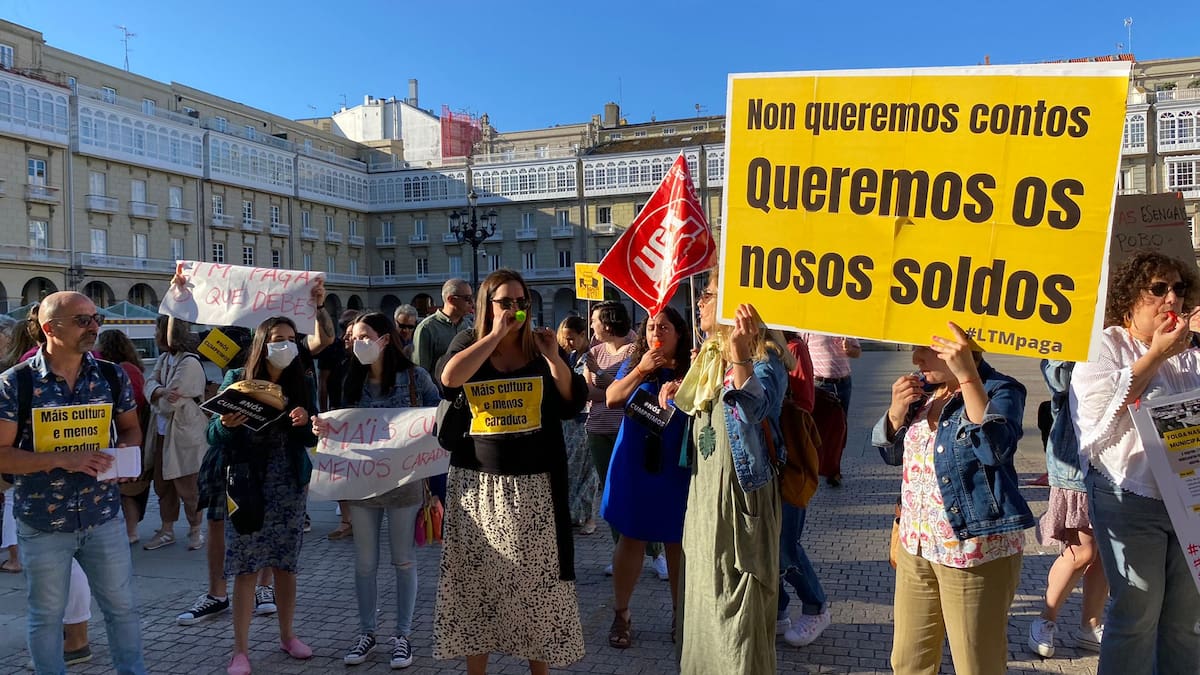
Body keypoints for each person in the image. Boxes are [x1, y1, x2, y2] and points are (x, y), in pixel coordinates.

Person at [434, 269, 587, 675]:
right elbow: (449, 379)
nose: (515, 309)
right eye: (506, 302)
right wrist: (494, 337)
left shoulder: (539, 348)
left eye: (522, 302)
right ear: (487, 305)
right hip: (478, 485)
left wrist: (555, 358)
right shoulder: (469, 341)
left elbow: (572, 401)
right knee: (477, 588)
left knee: (535, 589)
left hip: (535, 487)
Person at [872, 322, 1033, 675]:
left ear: (958, 347)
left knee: (976, 664)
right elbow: (891, 455)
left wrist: (968, 378)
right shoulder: (926, 392)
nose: (915, 358)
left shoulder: (1001, 389)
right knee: (908, 662)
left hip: (972, 552)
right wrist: (895, 413)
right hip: (917, 546)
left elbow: (994, 449)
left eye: (926, 349)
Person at [0, 291, 147, 674]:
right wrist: (64, 458)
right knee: (47, 616)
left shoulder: (112, 375)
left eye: (95, 318)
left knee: (122, 608)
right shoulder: (15, 383)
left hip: (104, 516)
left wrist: (125, 458)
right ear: (50, 328)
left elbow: (131, 430)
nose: (94, 327)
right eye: (82, 320)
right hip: (43, 523)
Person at [1069, 251, 1200, 675]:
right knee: (1138, 612)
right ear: (1130, 298)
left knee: (1188, 617)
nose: (1171, 298)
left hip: (1189, 498)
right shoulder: (1105, 346)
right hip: (1130, 495)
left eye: (1179, 289)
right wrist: (1156, 355)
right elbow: (1096, 416)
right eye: (1158, 288)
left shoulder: (1192, 350)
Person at [666, 270, 788, 675]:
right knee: (704, 606)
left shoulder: (763, 358)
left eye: (710, 293)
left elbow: (758, 409)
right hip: (703, 505)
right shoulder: (706, 358)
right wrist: (675, 393)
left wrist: (739, 356)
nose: (700, 300)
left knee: (739, 618)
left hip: (739, 504)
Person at [313, 311, 440, 669]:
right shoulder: (348, 379)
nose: (355, 343)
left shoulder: (415, 378)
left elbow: (440, 416)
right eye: (352, 337)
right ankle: (366, 633)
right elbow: (341, 425)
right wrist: (323, 429)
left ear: (385, 339)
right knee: (365, 564)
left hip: (403, 482)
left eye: (363, 336)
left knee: (403, 560)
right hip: (362, 484)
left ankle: (403, 636)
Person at [206, 317, 318, 675]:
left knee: (286, 564)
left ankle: (287, 635)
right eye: (276, 339)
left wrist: (306, 422)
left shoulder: (301, 380)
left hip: (288, 482)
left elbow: (312, 437)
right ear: (261, 343)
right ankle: (240, 650)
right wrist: (225, 425)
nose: (284, 345)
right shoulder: (237, 376)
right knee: (246, 565)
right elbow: (213, 433)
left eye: (290, 339)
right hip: (247, 482)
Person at [600, 308, 692, 648]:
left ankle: (679, 615)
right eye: (652, 326)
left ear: (679, 334)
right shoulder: (635, 364)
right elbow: (612, 398)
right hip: (635, 462)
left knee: (676, 541)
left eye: (665, 327)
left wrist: (683, 386)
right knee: (631, 537)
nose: (657, 331)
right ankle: (621, 614)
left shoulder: (692, 367)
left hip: (675, 466)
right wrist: (642, 370)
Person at [1027, 359, 1106, 658]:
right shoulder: (1078, 337)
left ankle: (1091, 624)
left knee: (1106, 555)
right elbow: (1057, 378)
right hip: (1077, 465)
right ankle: (1045, 620)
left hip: (1122, 463)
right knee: (1082, 551)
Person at [585, 301, 667, 577]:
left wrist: (606, 381)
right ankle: (620, 550)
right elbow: (595, 394)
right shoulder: (594, 352)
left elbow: (628, 391)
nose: (592, 325)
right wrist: (611, 386)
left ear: (607, 323)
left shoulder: (635, 348)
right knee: (612, 495)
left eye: (595, 320)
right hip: (598, 429)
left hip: (628, 431)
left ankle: (655, 553)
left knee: (639, 489)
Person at [778, 332, 831, 647]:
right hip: (767, 464)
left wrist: (767, 389)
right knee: (768, 545)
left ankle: (816, 606)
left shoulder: (792, 348)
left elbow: (805, 404)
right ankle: (778, 608)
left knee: (787, 546)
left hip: (790, 463)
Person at [142, 316, 208, 552]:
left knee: (187, 485)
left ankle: (195, 530)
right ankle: (166, 529)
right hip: (161, 433)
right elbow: (147, 384)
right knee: (163, 485)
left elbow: (171, 404)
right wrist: (159, 391)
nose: (154, 335)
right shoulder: (162, 358)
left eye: (157, 330)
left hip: (183, 433)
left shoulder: (189, 362)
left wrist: (155, 397)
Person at [95, 330, 151, 545]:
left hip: (129, 433)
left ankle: (131, 530)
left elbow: (136, 400)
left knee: (128, 488)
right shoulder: (118, 369)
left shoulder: (124, 370)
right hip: (120, 433)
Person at [797, 332, 860, 486]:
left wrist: (849, 349)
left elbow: (857, 352)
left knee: (840, 430)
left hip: (844, 384)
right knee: (817, 430)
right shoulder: (809, 328)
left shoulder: (843, 324)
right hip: (820, 384)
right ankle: (812, 467)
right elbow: (798, 349)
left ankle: (833, 470)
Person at [557, 316, 597, 533]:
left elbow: (587, 387)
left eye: (572, 338)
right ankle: (574, 514)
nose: (568, 343)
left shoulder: (590, 358)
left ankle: (589, 516)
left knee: (588, 471)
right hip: (569, 419)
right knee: (570, 469)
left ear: (583, 335)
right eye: (565, 339)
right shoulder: (569, 357)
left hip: (586, 417)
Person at [413, 278, 474, 375]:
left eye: (472, 297)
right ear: (451, 300)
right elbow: (421, 371)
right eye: (467, 298)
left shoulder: (470, 326)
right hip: (437, 389)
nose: (472, 302)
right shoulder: (427, 328)